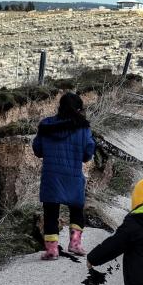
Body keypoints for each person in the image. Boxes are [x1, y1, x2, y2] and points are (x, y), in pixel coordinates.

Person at [32, 91, 96, 259]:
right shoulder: (83, 128)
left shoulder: (46, 125)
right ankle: (75, 244)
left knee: (51, 213)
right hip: (73, 176)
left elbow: (37, 150)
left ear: (60, 107)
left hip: (51, 177)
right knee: (76, 210)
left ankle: (52, 250)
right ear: (79, 109)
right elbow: (88, 153)